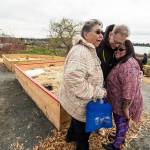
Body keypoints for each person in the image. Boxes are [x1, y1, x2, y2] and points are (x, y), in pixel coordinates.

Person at [58, 19, 106, 150]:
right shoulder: (81, 52)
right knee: (84, 135)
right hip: (81, 102)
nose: (101, 35)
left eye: (102, 32)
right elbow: (74, 81)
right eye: (97, 31)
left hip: (79, 103)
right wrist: (98, 92)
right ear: (86, 34)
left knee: (76, 120)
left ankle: (70, 137)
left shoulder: (87, 48)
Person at [102, 40, 143, 150]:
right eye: (116, 49)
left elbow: (129, 90)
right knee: (121, 124)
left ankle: (116, 145)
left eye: (121, 49)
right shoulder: (122, 61)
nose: (117, 51)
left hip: (124, 103)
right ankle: (119, 137)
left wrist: (125, 108)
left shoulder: (128, 65)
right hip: (119, 102)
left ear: (129, 50)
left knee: (121, 123)